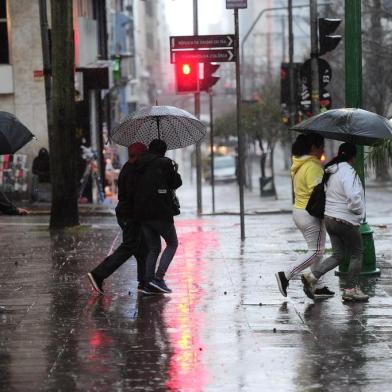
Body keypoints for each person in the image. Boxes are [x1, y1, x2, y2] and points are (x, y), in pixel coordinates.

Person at [301, 143, 368, 302]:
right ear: (353, 157)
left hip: (330, 219)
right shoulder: (348, 172)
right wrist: (358, 211)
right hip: (345, 220)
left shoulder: (331, 170)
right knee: (357, 253)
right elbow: (353, 197)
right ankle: (351, 289)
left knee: (338, 255)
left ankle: (312, 276)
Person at [275, 133, 334, 299]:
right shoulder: (313, 166)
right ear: (313, 147)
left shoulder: (300, 164)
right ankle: (285, 275)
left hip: (299, 211)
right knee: (316, 251)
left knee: (317, 252)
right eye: (321, 146)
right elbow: (318, 193)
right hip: (310, 214)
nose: (323, 149)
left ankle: (316, 286)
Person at [87, 142, 148, 295]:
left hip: (128, 213)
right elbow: (136, 195)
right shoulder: (134, 170)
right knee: (130, 246)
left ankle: (144, 281)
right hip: (130, 214)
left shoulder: (131, 168)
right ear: (139, 155)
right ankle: (99, 274)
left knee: (142, 249)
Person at [133, 139, 182, 294]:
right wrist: (174, 169)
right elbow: (175, 183)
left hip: (142, 213)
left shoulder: (139, 163)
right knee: (172, 243)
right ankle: (158, 278)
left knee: (153, 248)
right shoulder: (164, 163)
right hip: (160, 211)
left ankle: (148, 283)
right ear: (163, 151)